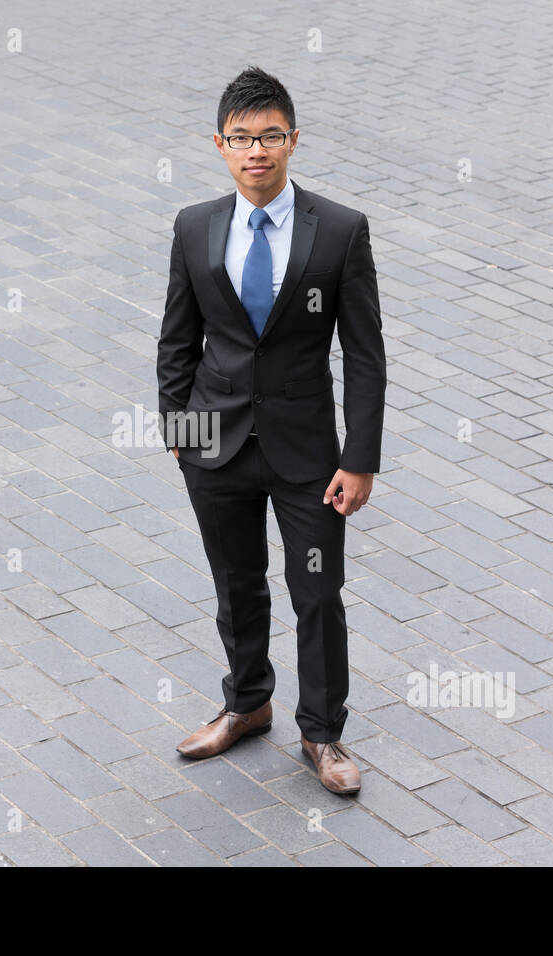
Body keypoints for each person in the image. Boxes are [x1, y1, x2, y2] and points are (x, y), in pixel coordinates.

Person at [156, 65, 387, 795]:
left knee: (316, 590)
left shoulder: (340, 232)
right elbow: (176, 339)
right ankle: (247, 703)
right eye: (242, 138)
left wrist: (360, 459)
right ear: (220, 145)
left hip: (307, 454)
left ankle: (322, 732)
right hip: (214, 445)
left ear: (293, 141)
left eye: (271, 136)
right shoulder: (195, 226)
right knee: (235, 582)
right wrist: (179, 429)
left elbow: (365, 355)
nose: (257, 150)